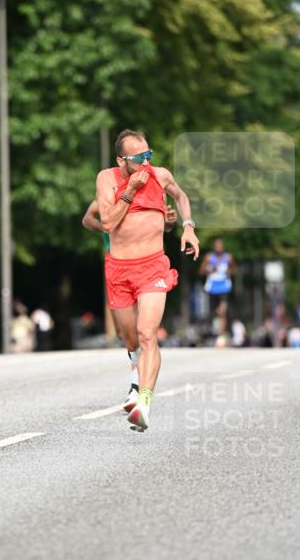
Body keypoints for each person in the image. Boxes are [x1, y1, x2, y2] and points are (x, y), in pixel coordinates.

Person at [96, 129, 199, 432]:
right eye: (138, 157)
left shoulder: (160, 175)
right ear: (121, 160)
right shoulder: (108, 179)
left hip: (153, 267)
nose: (145, 162)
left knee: (147, 334)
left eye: (148, 154)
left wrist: (187, 227)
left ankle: (144, 402)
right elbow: (107, 222)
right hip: (119, 269)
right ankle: (134, 373)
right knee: (130, 339)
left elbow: (181, 196)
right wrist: (130, 188)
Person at [82, 195, 177, 409]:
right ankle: (137, 372)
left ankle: (136, 387)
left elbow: (165, 226)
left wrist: (170, 222)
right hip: (116, 263)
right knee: (123, 331)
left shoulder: (150, 193)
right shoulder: (108, 195)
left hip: (145, 265)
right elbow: (87, 219)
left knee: (143, 328)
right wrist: (107, 228)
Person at [199, 238, 236, 337]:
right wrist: (210, 269)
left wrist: (229, 271)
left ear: (223, 247)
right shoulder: (209, 258)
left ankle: (221, 335)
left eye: (220, 246)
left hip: (224, 287)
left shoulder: (228, 257)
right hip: (212, 287)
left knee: (222, 311)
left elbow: (234, 269)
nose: (219, 248)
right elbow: (201, 271)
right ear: (214, 247)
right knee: (214, 312)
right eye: (217, 246)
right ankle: (215, 331)